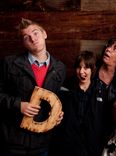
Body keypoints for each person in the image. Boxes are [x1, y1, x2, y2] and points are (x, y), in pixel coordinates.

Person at [0, 18, 66, 156]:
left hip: (42, 143)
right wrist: (18, 105)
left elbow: (56, 98)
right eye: (26, 37)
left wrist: (57, 114)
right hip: (14, 141)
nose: (33, 39)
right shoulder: (10, 63)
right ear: (23, 43)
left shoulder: (60, 68)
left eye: (36, 33)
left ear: (44, 34)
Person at [85, 38, 116, 156]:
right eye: (108, 46)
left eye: (115, 49)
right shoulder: (91, 70)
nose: (108, 49)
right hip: (83, 133)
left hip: (106, 137)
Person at [49, 51, 97, 156]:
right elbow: (56, 113)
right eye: (79, 67)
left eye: (86, 68)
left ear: (92, 69)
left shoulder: (99, 90)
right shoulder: (64, 87)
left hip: (89, 147)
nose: (81, 72)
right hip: (67, 145)